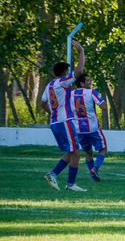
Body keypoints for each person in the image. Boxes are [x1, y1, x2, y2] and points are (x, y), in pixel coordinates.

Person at [41, 40, 87, 192]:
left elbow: (43, 103)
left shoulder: (49, 85)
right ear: (64, 73)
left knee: (72, 151)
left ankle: (61, 179)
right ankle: (64, 180)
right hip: (65, 121)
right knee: (76, 152)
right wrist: (81, 51)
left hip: (55, 123)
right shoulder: (62, 82)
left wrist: (53, 114)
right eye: (67, 71)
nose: (69, 74)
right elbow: (79, 72)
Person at [72, 74, 108, 182]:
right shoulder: (92, 92)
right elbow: (104, 107)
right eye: (88, 80)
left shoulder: (70, 94)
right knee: (103, 149)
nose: (90, 82)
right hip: (92, 127)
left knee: (88, 152)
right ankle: (95, 168)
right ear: (82, 83)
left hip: (78, 129)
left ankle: (93, 176)